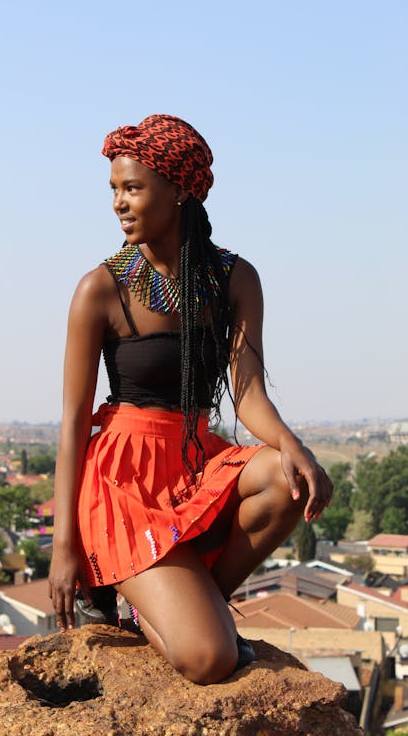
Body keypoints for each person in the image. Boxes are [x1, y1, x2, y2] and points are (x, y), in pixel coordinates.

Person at [48, 114, 333, 685]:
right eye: (114, 190)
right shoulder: (100, 288)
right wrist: (64, 549)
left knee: (284, 476)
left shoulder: (234, 278)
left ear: (179, 189)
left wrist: (294, 445)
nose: (119, 204)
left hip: (193, 462)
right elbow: (75, 420)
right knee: (209, 660)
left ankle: (187, 604)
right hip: (122, 482)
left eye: (133, 187)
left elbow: (247, 390)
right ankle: (153, 603)